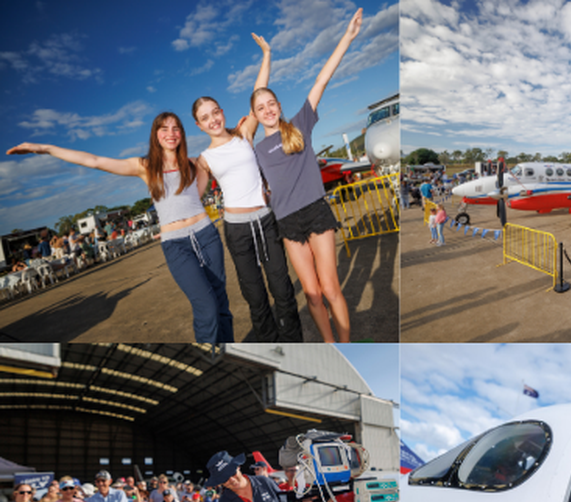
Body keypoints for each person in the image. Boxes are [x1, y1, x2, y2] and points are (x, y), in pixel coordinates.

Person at [8, 113, 233, 343]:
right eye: (164, 128)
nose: (171, 133)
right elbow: (94, 161)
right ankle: (211, 357)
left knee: (220, 300)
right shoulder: (145, 166)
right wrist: (44, 148)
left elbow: (227, 149)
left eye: (176, 128)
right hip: (176, 244)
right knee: (206, 305)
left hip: (206, 234)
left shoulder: (193, 163)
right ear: (156, 134)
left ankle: (228, 354)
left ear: (182, 134)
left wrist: (248, 123)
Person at [250, 8, 363, 343]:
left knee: (330, 288)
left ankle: (345, 344)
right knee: (312, 294)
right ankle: (330, 345)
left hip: (315, 210)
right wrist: (266, 58)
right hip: (287, 222)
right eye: (260, 108)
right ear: (255, 116)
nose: (267, 110)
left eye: (271, 103)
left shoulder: (299, 124)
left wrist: (348, 37)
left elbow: (321, 80)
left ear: (279, 105)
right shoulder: (255, 150)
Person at [192, 34, 303, 344]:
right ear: (199, 126)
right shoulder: (204, 159)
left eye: (215, 112)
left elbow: (259, 94)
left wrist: (267, 54)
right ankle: (269, 346)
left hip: (267, 222)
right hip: (238, 231)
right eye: (205, 118)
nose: (213, 119)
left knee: (283, 291)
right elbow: (193, 196)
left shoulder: (244, 133)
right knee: (255, 299)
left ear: (222, 112)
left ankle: (293, 345)